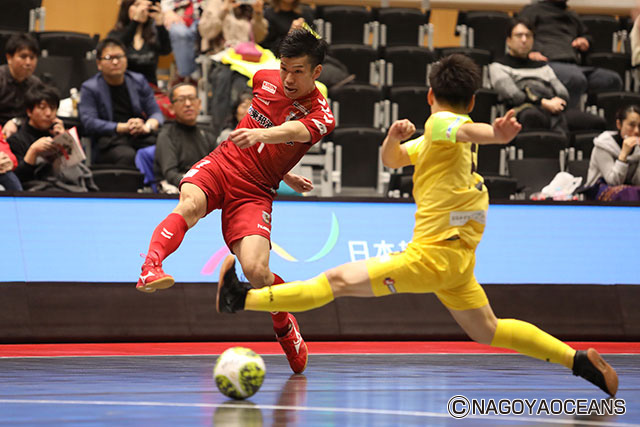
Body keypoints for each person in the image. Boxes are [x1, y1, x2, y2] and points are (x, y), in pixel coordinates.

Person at [216, 53, 619, 397]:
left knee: (334, 282)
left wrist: (496, 135)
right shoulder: (439, 145)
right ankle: (577, 360)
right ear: (473, 99)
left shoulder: (442, 125)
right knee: (487, 330)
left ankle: (241, 300)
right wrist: (392, 138)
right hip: (456, 264)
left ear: (430, 96)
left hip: (432, 257)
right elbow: (392, 160)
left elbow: (462, 127)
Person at [136, 29, 335, 374]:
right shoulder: (263, 78)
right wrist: (283, 167)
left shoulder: (322, 115)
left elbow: (295, 132)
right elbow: (271, 137)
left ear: (316, 72)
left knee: (257, 272)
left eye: (297, 71)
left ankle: (285, 327)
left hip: (255, 191)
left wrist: (267, 146)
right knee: (189, 204)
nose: (288, 79)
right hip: (223, 163)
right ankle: (150, 268)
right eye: (284, 68)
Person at [518, 0, 622, 110]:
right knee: (576, 79)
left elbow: (586, 36)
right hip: (547, 64)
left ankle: (594, 116)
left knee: (612, 80)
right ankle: (565, 117)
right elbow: (519, 34)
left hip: (573, 65)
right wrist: (530, 53)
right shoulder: (532, 10)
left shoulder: (572, 15)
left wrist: (584, 41)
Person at [79, 38, 164, 167]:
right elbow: (89, 122)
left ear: (126, 59)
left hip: (138, 135)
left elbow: (155, 112)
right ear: (99, 63)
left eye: (119, 57)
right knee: (128, 156)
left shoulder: (138, 80)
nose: (115, 62)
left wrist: (147, 127)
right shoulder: (90, 88)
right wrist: (122, 127)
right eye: (109, 58)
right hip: (110, 140)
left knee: (163, 147)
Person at [8, 84, 96, 192]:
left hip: (66, 186)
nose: (48, 113)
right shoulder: (16, 140)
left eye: (53, 108)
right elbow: (16, 180)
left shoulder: (57, 133)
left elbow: (77, 169)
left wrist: (65, 139)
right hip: (36, 191)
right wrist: (32, 152)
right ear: (29, 112)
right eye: (42, 108)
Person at [489, 19, 570, 134]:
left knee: (589, 120)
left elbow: (562, 92)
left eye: (528, 36)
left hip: (552, 107)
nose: (524, 40)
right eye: (519, 35)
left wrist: (557, 102)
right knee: (532, 116)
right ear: (508, 41)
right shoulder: (498, 66)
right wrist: (543, 103)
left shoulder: (543, 67)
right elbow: (515, 96)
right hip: (521, 109)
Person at [154, 83, 217, 188]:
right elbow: (170, 174)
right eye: (181, 99)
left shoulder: (207, 134)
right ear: (171, 108)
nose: (188, 104)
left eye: (191, 98)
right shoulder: (166, 135)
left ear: (199, 104)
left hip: (207, 185)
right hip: (181, 188)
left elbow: (219, 166)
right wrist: (196, 184)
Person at [109, 0, 172, 87]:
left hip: (149, 89)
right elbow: (119, 47)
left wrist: (160, 24)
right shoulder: (115, 34)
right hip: (124, 88)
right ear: (126, 8)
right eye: (137, 5)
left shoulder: (153, 35)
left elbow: (166, 51)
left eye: (147, 6)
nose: (142, 9)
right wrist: (135, 22)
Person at [586, 105, 640, 187]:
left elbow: (637, 182)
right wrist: (623, 155)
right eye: (631, 125)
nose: (637, 131)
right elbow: (613, 182)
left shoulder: (637, 148)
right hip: (599, 192)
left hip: (629, 192)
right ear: (619, 124)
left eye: (639, 126)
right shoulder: (603, 145)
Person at [0, 33, 42, 139]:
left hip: (23, 135)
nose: (28, 62)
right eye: (23, 56)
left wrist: (15, 122)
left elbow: (35, 117)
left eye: (32, 57)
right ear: (9, 58)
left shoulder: (36, 84)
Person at [199, 0, 268, 55]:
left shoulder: (248, 6)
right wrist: (224, 9)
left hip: (244, 59)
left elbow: (258, 38)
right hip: (220, 58)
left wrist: (258, 14)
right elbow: (206, 32)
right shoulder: (216, 3)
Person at [161, 0, 206, 85]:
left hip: (204, 16)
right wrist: (168, 12)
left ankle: (189, 76)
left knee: (206, 29)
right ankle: (186, 77)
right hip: (178, 16)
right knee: (181, 33)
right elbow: (165, 5)